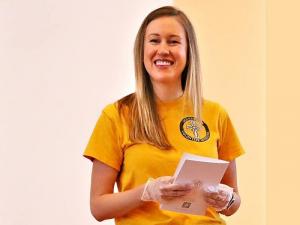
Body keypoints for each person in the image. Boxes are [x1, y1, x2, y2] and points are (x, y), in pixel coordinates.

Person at [83, 6, 244, 225]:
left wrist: (227, 199)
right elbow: (98, 207)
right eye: (154, 40)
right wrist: (148, 191)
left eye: (173, 41)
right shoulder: (117, 115)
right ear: (142, 50)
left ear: (189, 52)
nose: (163, 50)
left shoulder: (215, 115)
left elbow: (233, 204)